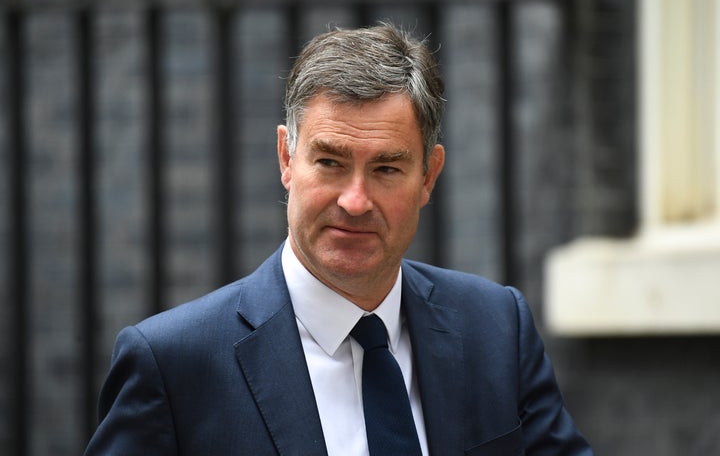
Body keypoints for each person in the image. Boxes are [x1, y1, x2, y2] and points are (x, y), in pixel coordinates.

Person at [85, 23, 592, 455]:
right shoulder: (172, 365)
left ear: (428, 177)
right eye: (329, 162)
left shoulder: (497, 329)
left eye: (387, 168)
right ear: (287, 158)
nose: (354, 200)